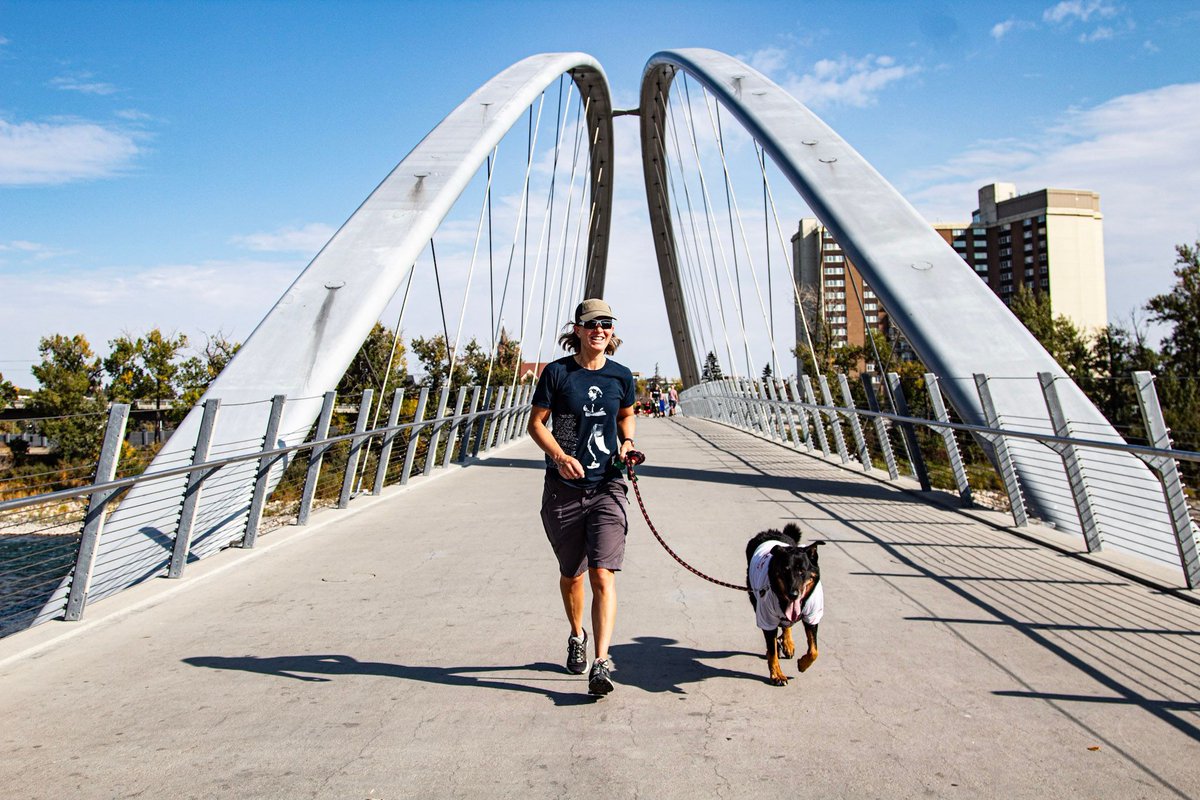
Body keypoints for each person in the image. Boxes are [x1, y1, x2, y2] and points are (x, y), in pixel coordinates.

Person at [527, 298, 637, 696]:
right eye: (592, 324)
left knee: (602, 573)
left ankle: (601, 662)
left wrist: (627, 443)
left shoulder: (621, 376)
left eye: (606, 323)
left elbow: (626, 414)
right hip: (564, 489)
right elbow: (536, 423)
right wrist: (558, 456)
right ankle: (577, 634)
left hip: (608, 483)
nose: (600, 330)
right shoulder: (557, 374)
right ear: (577, 329)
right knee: (572, 574)